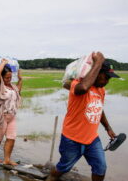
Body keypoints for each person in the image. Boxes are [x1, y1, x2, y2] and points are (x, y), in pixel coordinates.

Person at [47, 52, 120, 181]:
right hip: (72, 139)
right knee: (62, 168)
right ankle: (51, 177)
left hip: (92, 139)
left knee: (100, 167)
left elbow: (98, 109)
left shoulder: (101, 90)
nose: (107, 81)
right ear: (96, 72)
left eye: (109, 79)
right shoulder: (77, 84)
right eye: (105, 77)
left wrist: (108, 128)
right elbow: (84, 87)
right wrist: (98, 62)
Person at [0, 59, 22, 165]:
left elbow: (18, 91)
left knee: (12, 138)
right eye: (7, 77)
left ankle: (7, 159)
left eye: (10, 77)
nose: (9, 79)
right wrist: (3, 62)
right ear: (2, 77)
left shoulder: (12, 86)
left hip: (11, 116)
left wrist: (20, 79)